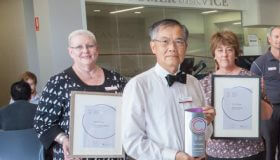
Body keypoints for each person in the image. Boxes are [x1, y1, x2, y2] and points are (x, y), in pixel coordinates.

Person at [122, 19, 215, 160]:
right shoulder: (138, 85)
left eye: (178, 41)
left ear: (185, 47)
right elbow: (132, 142)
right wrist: (173, 156)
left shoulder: (194, 82)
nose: (172, 48)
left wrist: (206, 122)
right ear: (153, 47)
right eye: (164, 41)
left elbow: (204, 134)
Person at [33, 29, 127, 160]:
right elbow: (42, 123)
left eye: (90, 46)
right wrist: (64, 140)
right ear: (71, 52)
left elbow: (130, 115)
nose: (85, 51)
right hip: (74, 156)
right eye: (78, 47)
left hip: (113, 154)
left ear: (97, 49)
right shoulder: (58, 82)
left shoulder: (117, 80)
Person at [200, 31, 273, 160]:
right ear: (214, 55)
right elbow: (200, 123)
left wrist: (254, 98)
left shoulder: (252, 79)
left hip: (250, 150)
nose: (224, 54)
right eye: (219, 50)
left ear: (235, 54)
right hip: (216, 152)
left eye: (229, 50)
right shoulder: (203, 84)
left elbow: (268, 114)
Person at [250, 26, 280, 160]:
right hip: (268, 111)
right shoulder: (259, 63)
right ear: (269, 39)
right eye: (276, 37)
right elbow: (252, 89)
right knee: (268, 150)